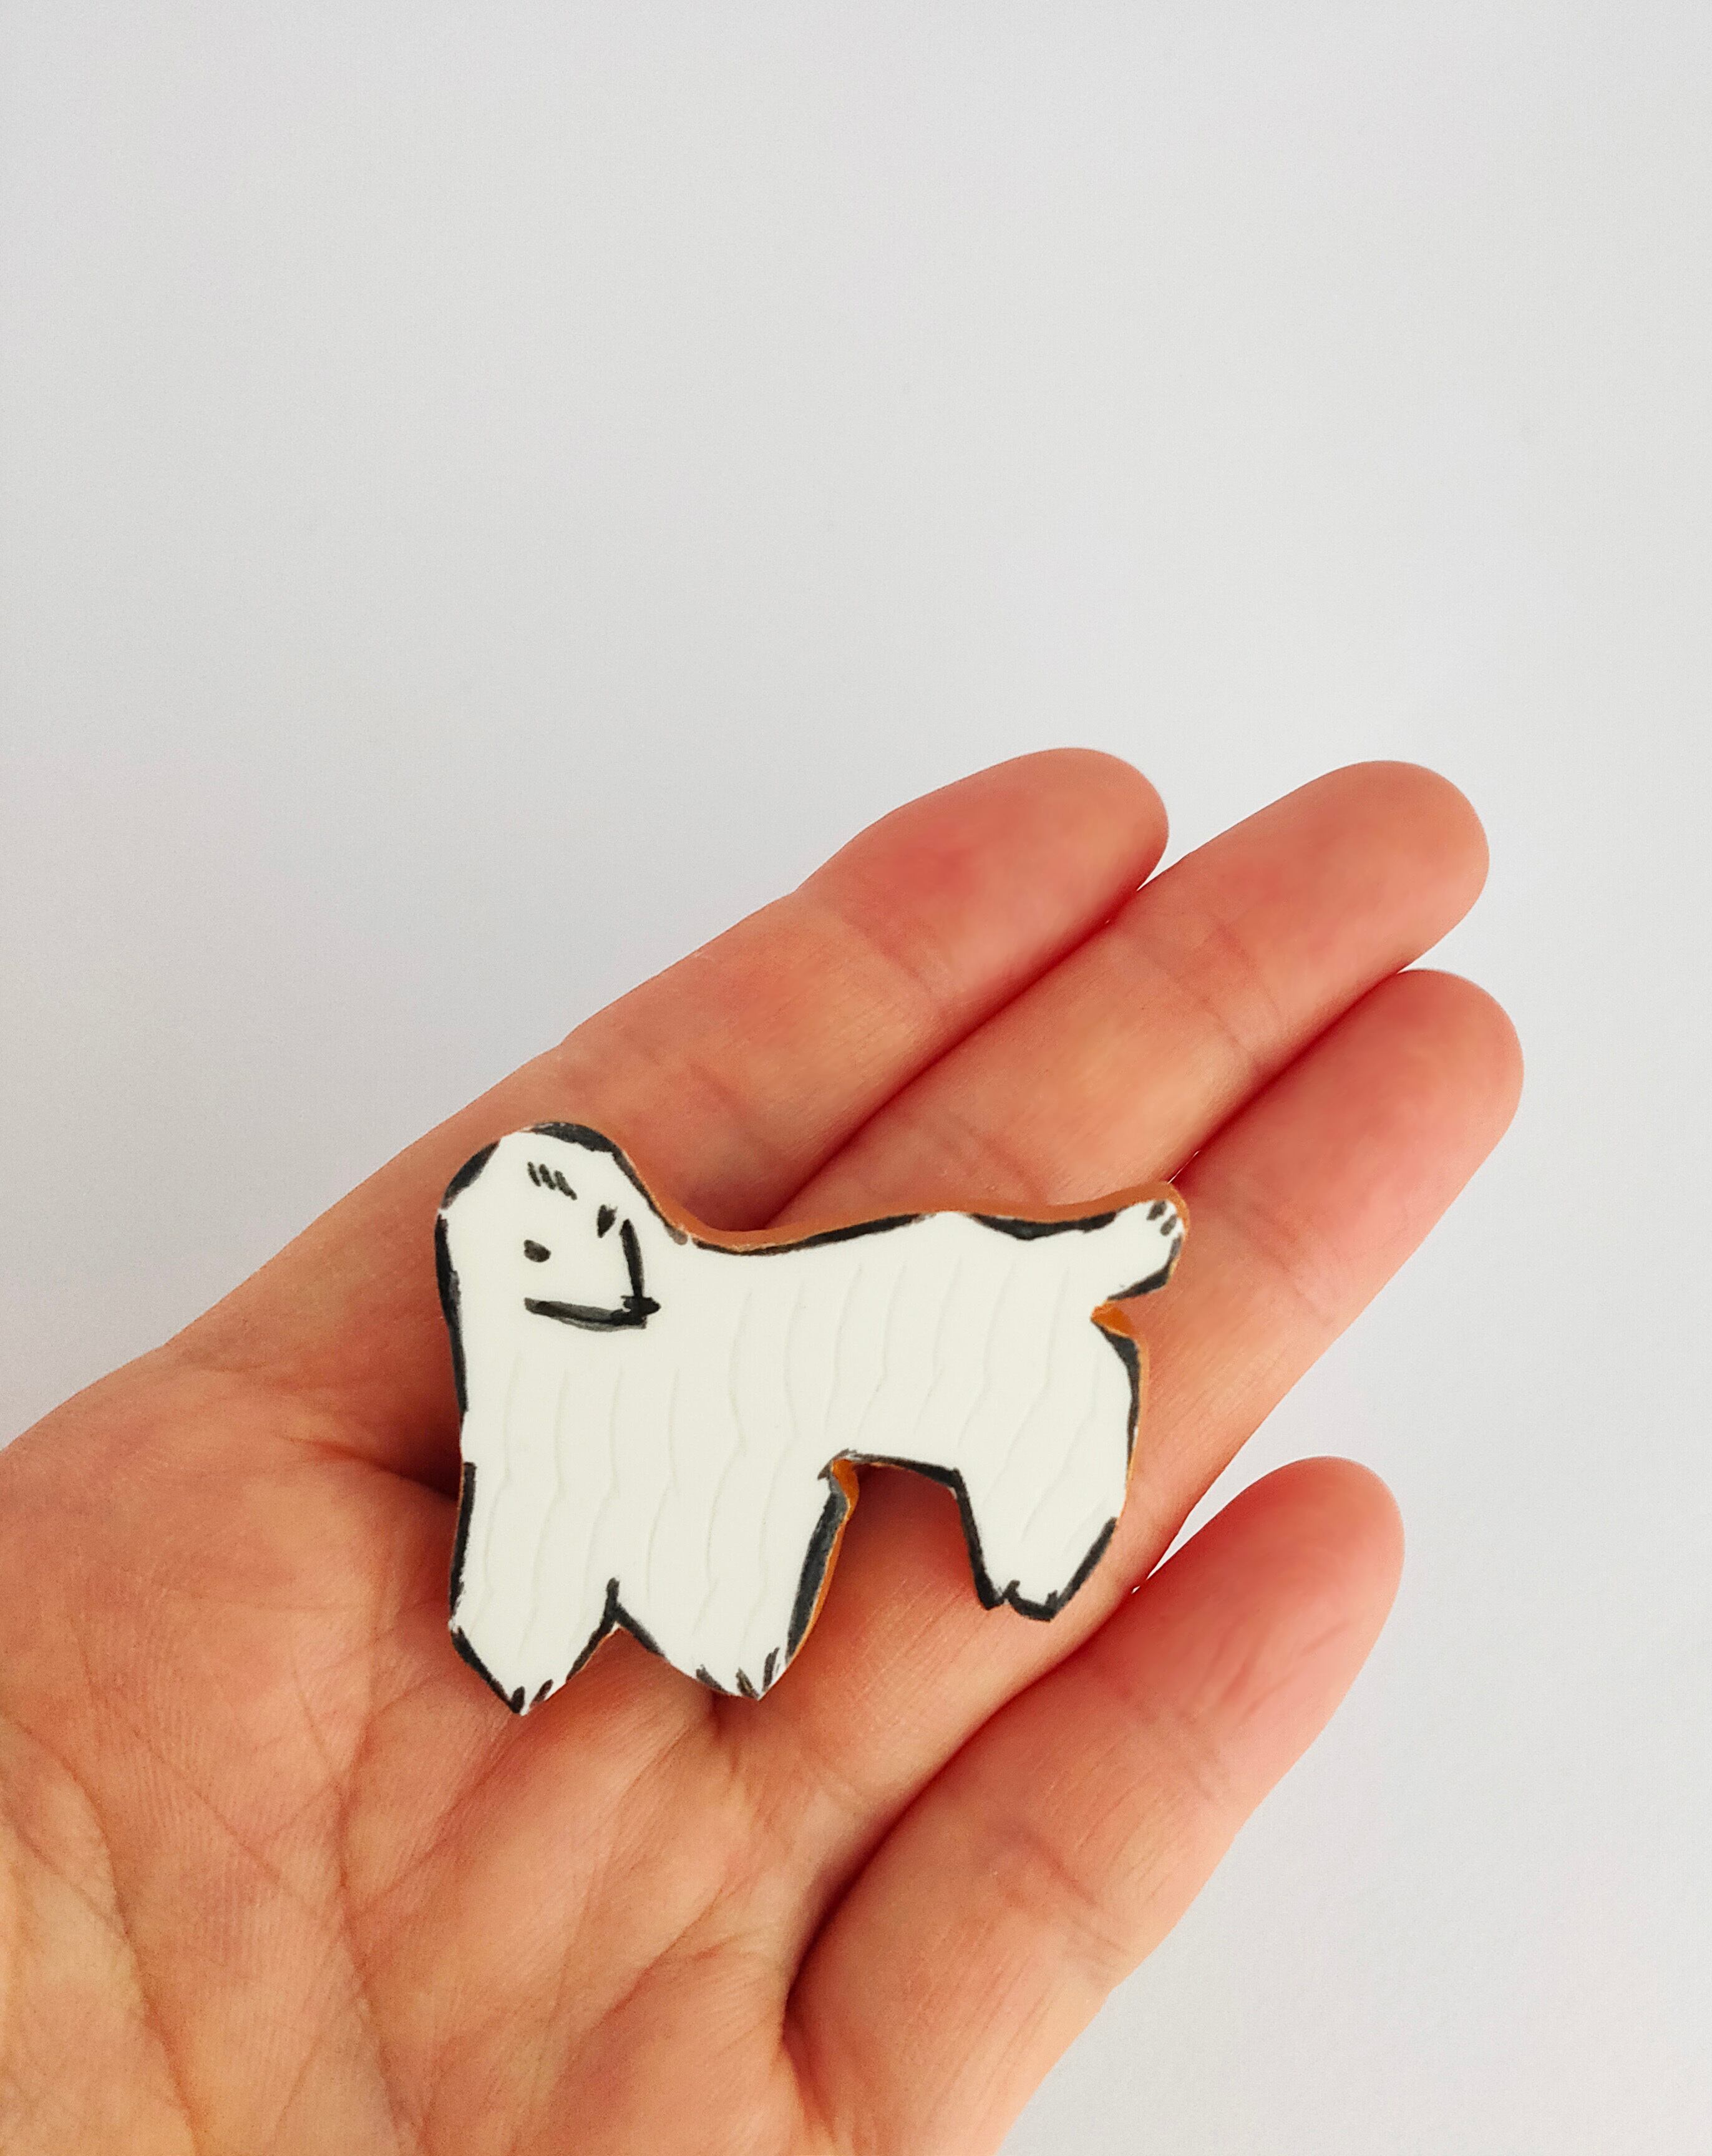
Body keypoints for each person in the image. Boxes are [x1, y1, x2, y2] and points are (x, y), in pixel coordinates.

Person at [0, 750, 1519, 2155]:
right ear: (485, 1274)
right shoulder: (536, 1401)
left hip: (980, 1306)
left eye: (589, 1231)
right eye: (530, 1252)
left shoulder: (706, 1330)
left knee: (972, 1451)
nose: (574, 1266)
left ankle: (1036, 1509)